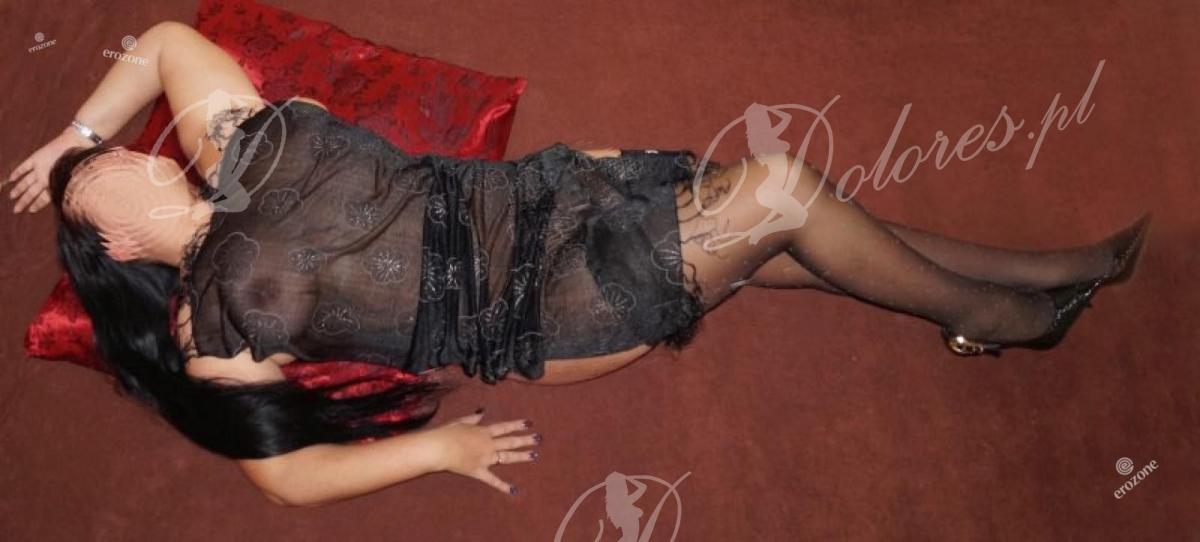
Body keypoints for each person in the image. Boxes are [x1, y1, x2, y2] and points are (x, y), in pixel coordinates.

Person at [4, 22, 1150, 507]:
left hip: (550, 199)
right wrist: (438, 448)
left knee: (791, 239)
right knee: (782, 192)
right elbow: (285, 475)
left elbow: (163, 41)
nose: (137, 159)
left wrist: (70, 138)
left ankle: (1036, 272)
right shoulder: (210, 321)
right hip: (545, 307)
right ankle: (1015, 316)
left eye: (126, 150)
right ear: (116, 246)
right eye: (109, 185)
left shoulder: (231, 140)